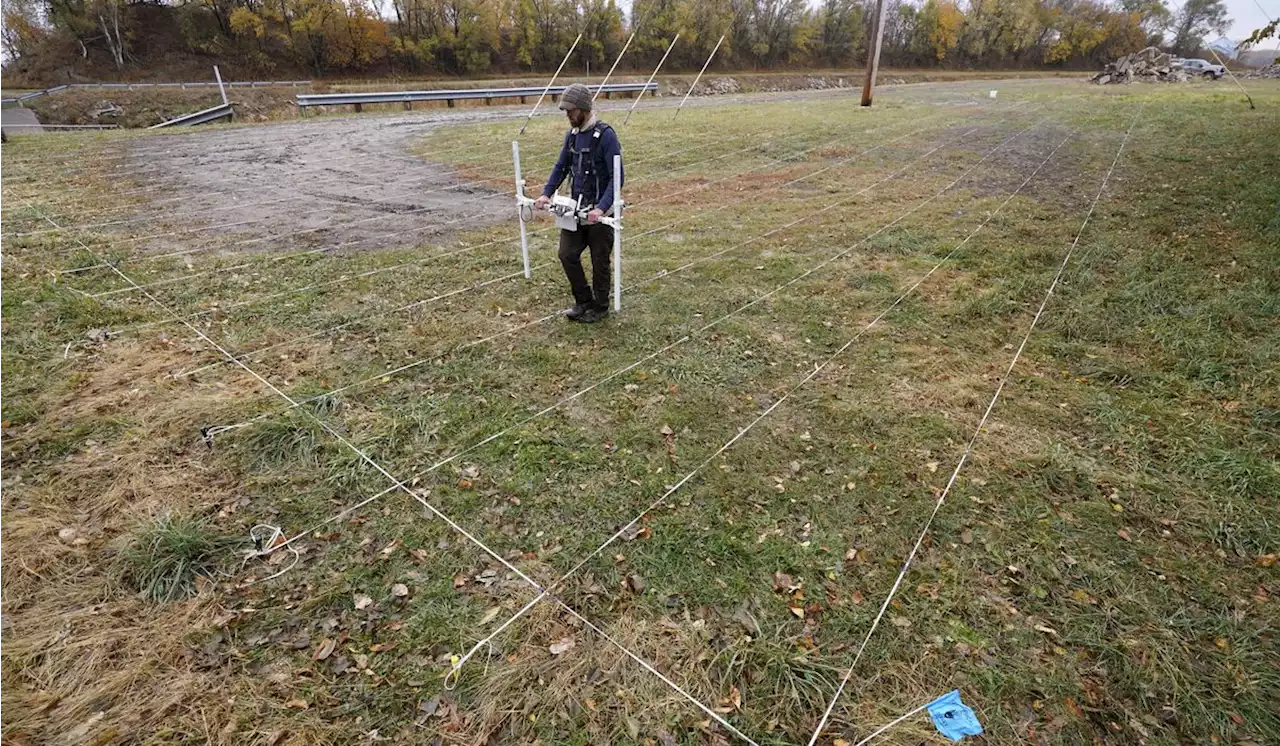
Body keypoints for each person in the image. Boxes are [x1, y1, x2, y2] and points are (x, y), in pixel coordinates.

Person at [533, 83, 624, 324]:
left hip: (600, 213)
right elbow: (561, 166)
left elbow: (617, 178)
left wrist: (601, 208)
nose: (568, 116)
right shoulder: (572, 137)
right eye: (565, 111)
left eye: (570, 111)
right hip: (576, 210)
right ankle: (583, 300)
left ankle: (600, 306)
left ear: (583, 109)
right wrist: (546, 193)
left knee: (599, 260)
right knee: (566, 254)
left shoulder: (606, 136)